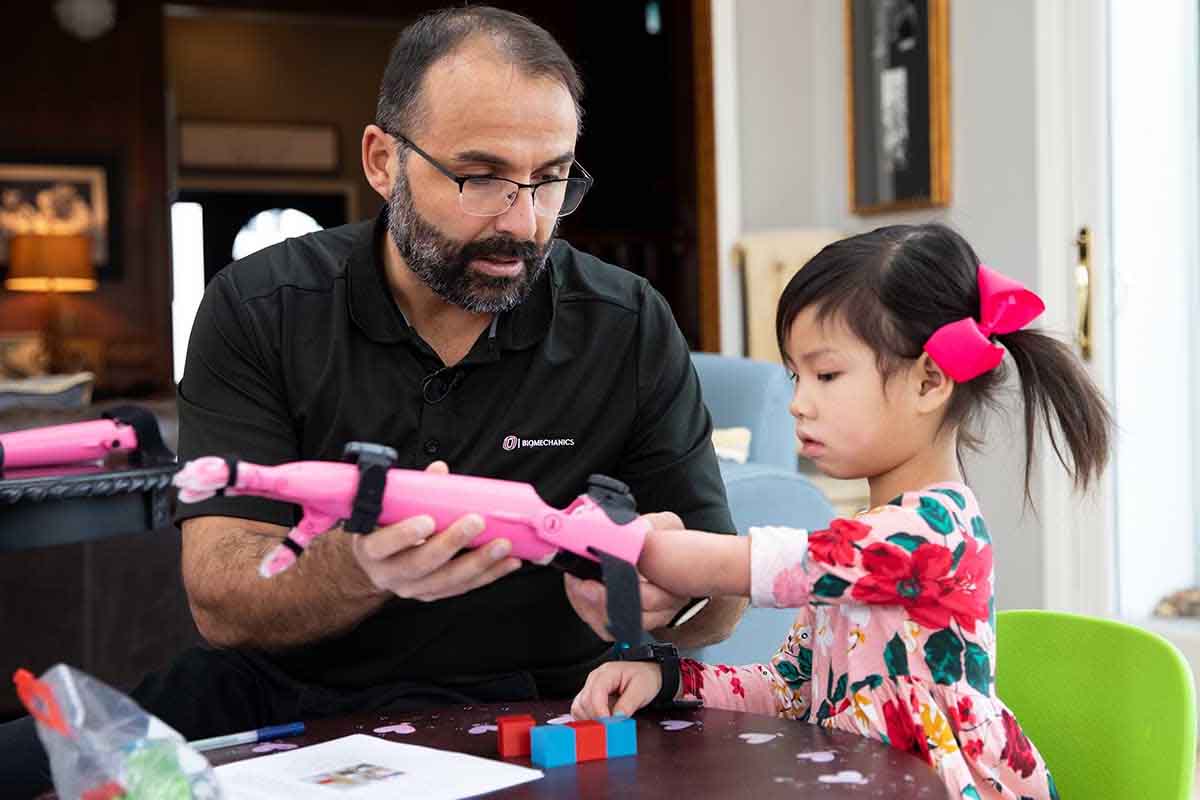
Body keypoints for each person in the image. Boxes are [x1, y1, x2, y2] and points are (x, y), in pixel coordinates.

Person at [0, 6, 745, 795]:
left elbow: (721, 602)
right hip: (282, 695)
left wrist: (674, 593)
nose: (524, 223)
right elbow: (220, 599)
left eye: (552, 177)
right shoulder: (260, 307)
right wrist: (361, 565)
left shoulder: (625, 322)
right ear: (383, 161)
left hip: (549, 704)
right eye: (480, 177)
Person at [572, 224, 1113, 799]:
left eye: (826, 375)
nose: (798, 404)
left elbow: (748, 566)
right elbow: (788, 690)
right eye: (795, 376)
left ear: (929, 381)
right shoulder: (849, 553)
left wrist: (641, 545)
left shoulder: (933, 530)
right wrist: (668, 679)